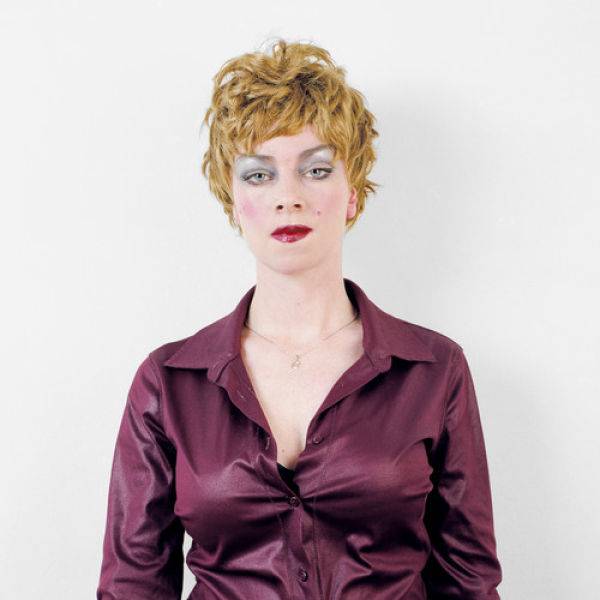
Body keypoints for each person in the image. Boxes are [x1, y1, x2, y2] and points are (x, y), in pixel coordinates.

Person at [96, 38, 503, 599]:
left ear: (352, 193)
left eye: (315, 169)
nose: (288, 196)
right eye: (259, 175)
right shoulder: (167, 382)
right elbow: (132, 585)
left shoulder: (434, 370)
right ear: (233, 200)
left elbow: (469, 583)